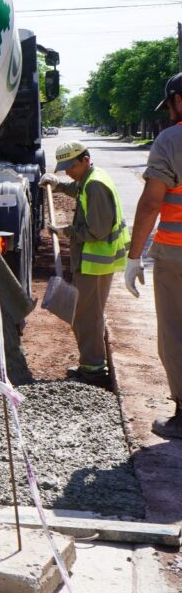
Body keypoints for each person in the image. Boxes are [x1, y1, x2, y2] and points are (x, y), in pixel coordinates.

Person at [39, 139, 129, 385]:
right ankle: (90, 365)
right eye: (64, 168)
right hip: (91, 263)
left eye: (72, 166)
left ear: (85, 160)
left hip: (94, 264)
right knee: (85, 314)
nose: (68, 171)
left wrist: (66, 231)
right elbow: (78, 189)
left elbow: (97, 230)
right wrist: (58, 185)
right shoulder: (90, 179)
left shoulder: (95, 185)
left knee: (87, 317)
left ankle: (94, 372)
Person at [124, 72, 182, 439]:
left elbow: (150, 204)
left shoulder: (171, 140)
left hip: (177, 256)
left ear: (179, 100)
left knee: (175, 333)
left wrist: (134, 257)